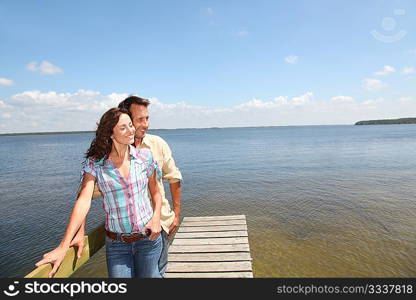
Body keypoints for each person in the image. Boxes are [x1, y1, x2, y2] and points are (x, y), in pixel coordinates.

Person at [35, 108, 163, 278]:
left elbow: (156, 192)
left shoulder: (145, 157)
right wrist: (64, 245)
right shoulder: (96, 164)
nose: (131, 130)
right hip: (117, 245)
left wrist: (156, 219)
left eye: (131, 125)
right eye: (123, 128)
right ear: (110, 133)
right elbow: (83, 200)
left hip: (149, 240)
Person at [72, 96, 183, 277]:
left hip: (160, 224)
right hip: (122, 236)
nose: (145, 124)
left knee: (159, 274)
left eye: (147, 118)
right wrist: (80, 231)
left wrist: (176, 214)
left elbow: (174, 178)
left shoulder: (157, 145)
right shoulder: (106, 160)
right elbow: (85, 196)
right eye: (139, 120)